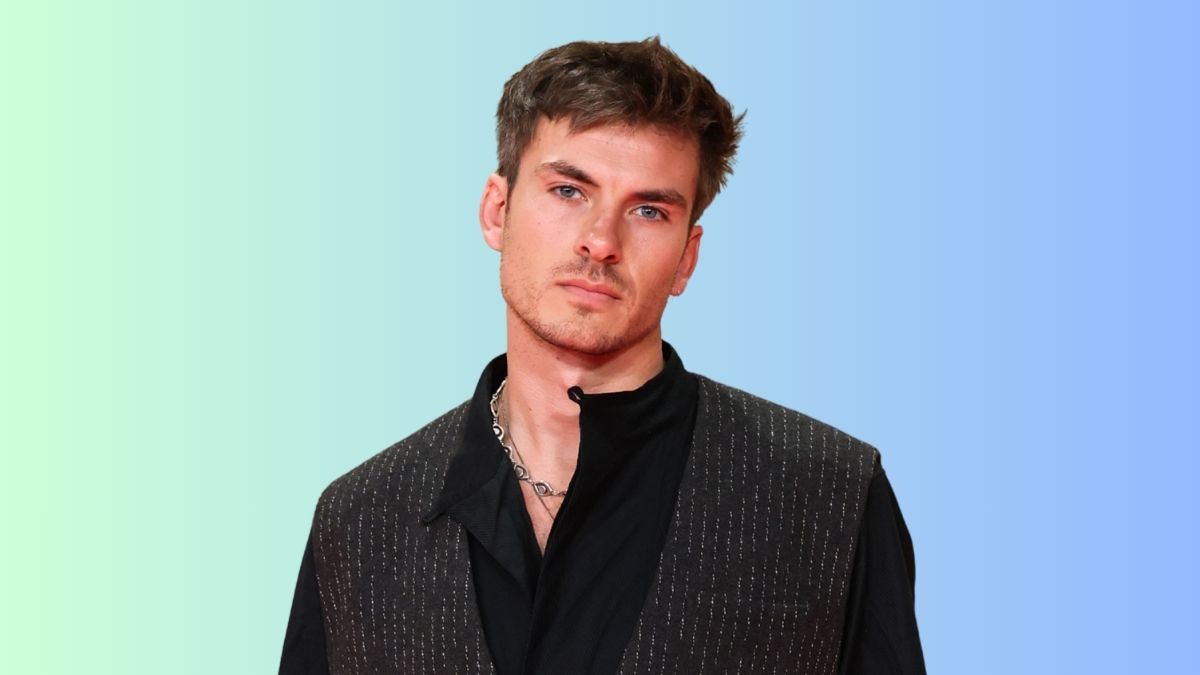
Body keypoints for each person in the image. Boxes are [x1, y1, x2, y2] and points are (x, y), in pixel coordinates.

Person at [280, 37, 925, 675]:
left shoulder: (830, 498)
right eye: (569, 191)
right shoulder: (360, 522)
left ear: (687, 258)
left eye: (648, 210)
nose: (601, 241)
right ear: (497, 211)